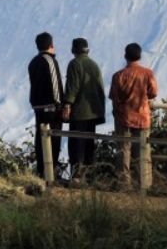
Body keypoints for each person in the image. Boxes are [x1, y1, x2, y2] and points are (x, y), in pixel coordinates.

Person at [109, 42, 157, 187]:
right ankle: (144, 184)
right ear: (140, 56)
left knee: (123, 152)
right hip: (142, 118)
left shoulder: (118, 76)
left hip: (124, 118)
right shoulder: (148, 74)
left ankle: (124, 183)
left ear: (125, 56)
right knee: (143, 152)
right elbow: (153, 92)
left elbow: (114, 96)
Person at [62, 37, 106, 183]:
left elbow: (72, 87)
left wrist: (67, 105)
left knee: (76, 144)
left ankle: (77, 175)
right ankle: (90, 175)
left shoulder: (75, 64)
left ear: (74, 50)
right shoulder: (94, 65)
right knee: (89, 144)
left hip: (80, 112)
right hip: (93, 112)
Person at [27, 31, 64, 178]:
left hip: (38, 107)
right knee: (53, 139)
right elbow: (55, 86)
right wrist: (59, 104)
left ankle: (41, 170)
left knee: (40, 138)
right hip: (51, 107)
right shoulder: (50, 61)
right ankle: (51, 171)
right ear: (51, 45)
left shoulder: (33, 62)